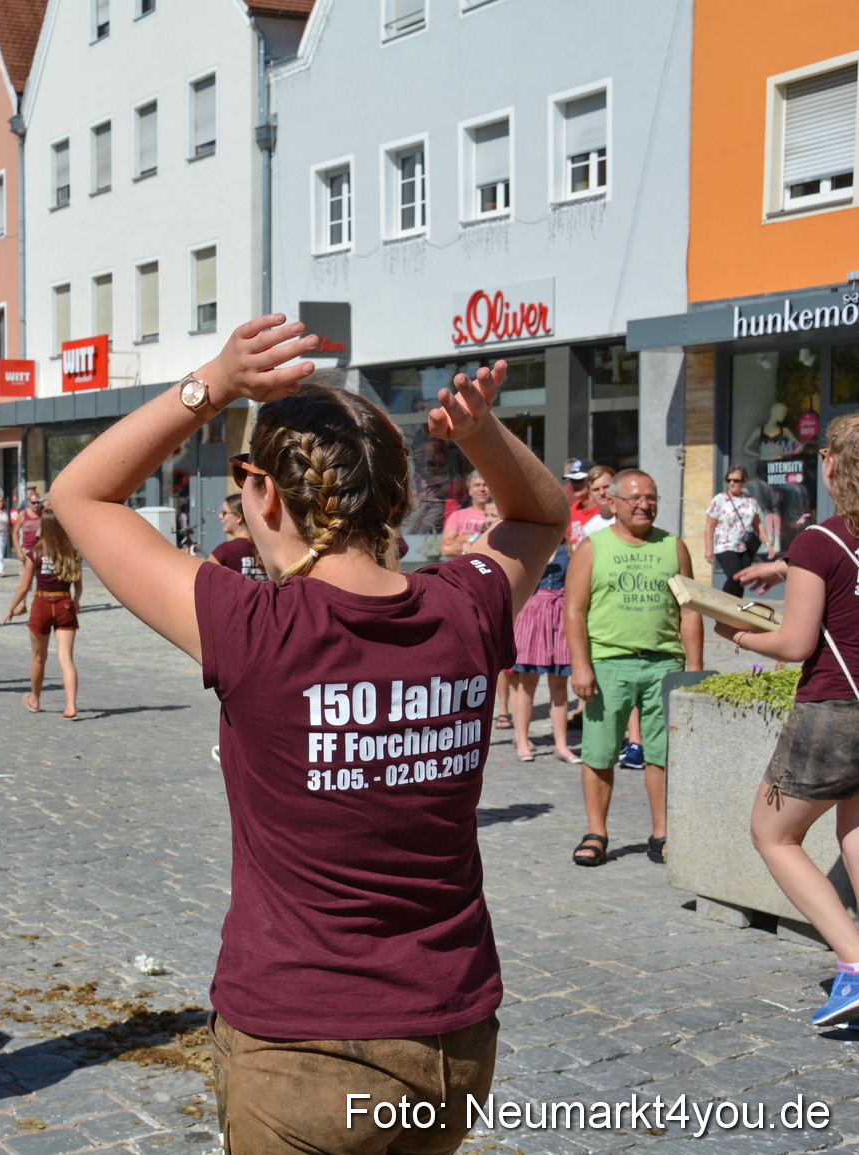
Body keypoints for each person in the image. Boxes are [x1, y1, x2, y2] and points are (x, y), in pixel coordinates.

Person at [50, 313, 568, 1154]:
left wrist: (214, 383)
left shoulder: (254, 626)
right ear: (393, 494)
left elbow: (78, 495)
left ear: (266, 496)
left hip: (302, 1052)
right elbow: (543, 517)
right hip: (454, 1037)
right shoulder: (465, 604)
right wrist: (482, 435)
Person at [720, 415, 859, 1027]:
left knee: (773, 834)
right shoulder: (814, 550)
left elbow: (797, 643)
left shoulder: (819, 541)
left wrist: (739, 635)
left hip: (833, 712)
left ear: (830, 466)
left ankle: (854, 962)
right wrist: (784, 568)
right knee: (855, 827)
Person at [564, 468, 703, 867]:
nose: (645, 505)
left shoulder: (673, 547)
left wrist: (694, 669)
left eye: (651, 498)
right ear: (613, 502)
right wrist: (580, 665)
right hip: (609, 663)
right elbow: (574, 611)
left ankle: (662, 833)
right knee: (599, 751)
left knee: (662, 752)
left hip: (664, 663)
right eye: (636, 498)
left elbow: (689, 610)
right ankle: (596, 833)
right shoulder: (593, 547)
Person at [2, 510, 83, 719]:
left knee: (39, 658)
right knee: (66, 658)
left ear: (44, 527)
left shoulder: (35, 552)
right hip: (64, 603)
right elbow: (78, 585)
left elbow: (24, 587)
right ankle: (71, 706)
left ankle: (35, 699)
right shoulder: (71, 552)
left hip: (42, 604)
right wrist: (76, 600)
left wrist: (11, 609)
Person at [509, 533, 579, 764]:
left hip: (559, 613)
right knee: (527, 682)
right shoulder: (529, 545)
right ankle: (522, 740)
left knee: (559, 683)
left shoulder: (569, 548)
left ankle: (561, 745)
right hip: (532, 614)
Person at [705, 465, 768, 596]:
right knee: (735, 576)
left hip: (745, 546)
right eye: (729, 480)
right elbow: (709, 527)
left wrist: (768, 544)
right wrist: (708, 549)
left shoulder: (750, 499)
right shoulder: (719, 500)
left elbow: (757, 525)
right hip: (725, 545)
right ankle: (722, 605)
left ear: (744, 482)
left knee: (742, 580)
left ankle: (736, 607)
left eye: (736, 480)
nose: (732, 483)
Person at [208, 494, 267, 579]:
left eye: (224, 512)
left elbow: (203, 578)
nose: (220, 516)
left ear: (239, 517)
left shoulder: (226, 549)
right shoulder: (266, 546)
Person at [440, 471, 493, 558]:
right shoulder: (457, 515)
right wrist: (469, 542)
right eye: (477, 485)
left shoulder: (499, 516)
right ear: (470, 490)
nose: (481, 489)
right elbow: (446, 549)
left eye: (485, 485)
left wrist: (462, 539)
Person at [563, 459, 602, 547]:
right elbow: (569, 541)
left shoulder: (604, 511)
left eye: (579, 480)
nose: (573, 485)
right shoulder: (573, 509)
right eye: (572, 480)